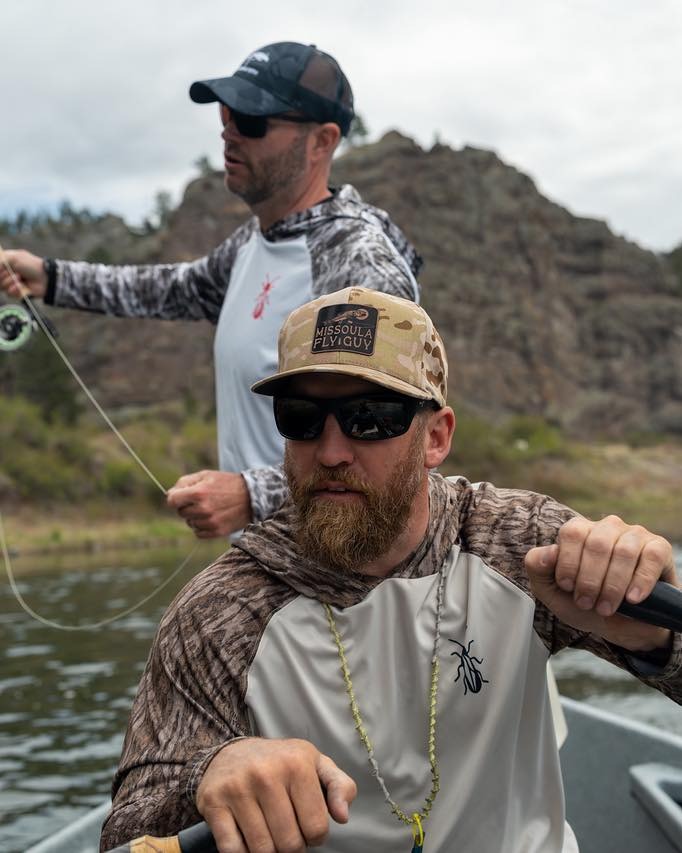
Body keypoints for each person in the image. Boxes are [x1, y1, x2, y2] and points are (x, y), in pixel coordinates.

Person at [100, 287, 681, 853]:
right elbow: (127, 832)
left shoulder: (518, 546)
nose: (331, 452)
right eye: (301, 417)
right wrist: (207, 775)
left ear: (436, 437)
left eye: (370, 418)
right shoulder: (219, 612)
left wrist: (654, 642)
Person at [0, 42, 421, 538]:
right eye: (226, 115)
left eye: (251, 120)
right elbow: (169, 289)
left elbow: (392, 441)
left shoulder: (357, 260)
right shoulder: (252, 243)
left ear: (321, 141)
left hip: (339, 569)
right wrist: (48, 277)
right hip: (268, 561)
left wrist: (252, 494)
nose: (229, 133)